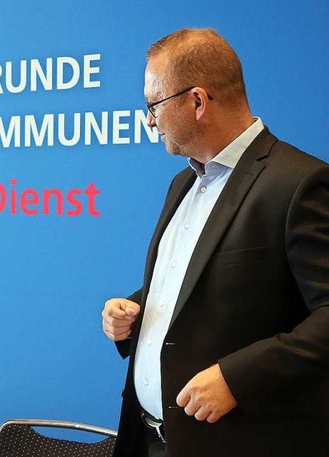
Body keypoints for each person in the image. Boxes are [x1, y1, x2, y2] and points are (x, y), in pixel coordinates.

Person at [101, 28, 329, 457]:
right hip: (149, 438)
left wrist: (236, 378)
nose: (149, 120)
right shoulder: (182, 184)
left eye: (153, 105)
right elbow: (200, 288)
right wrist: (136, 308)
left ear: (198, 101)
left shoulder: (299, 183)